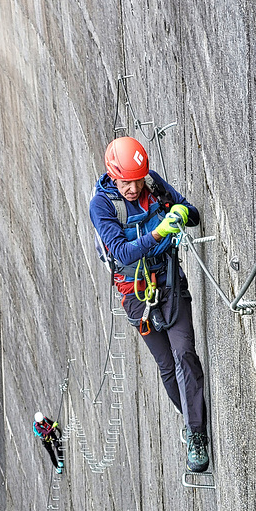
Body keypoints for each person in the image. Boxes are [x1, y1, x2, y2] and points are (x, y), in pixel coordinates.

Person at [89, 136, 209, 472]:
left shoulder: (152, 183)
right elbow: (123, 252)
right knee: (167, 365)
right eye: (126, 182)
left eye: (137, 180)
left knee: (184, 352)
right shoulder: (102, 206)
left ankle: (197, 434)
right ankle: (189, 419)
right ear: (114, 176)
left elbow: (193, 214)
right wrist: (158, 233)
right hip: (136, 293)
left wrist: (182, 211)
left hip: (169, 280)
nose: (133, 187)